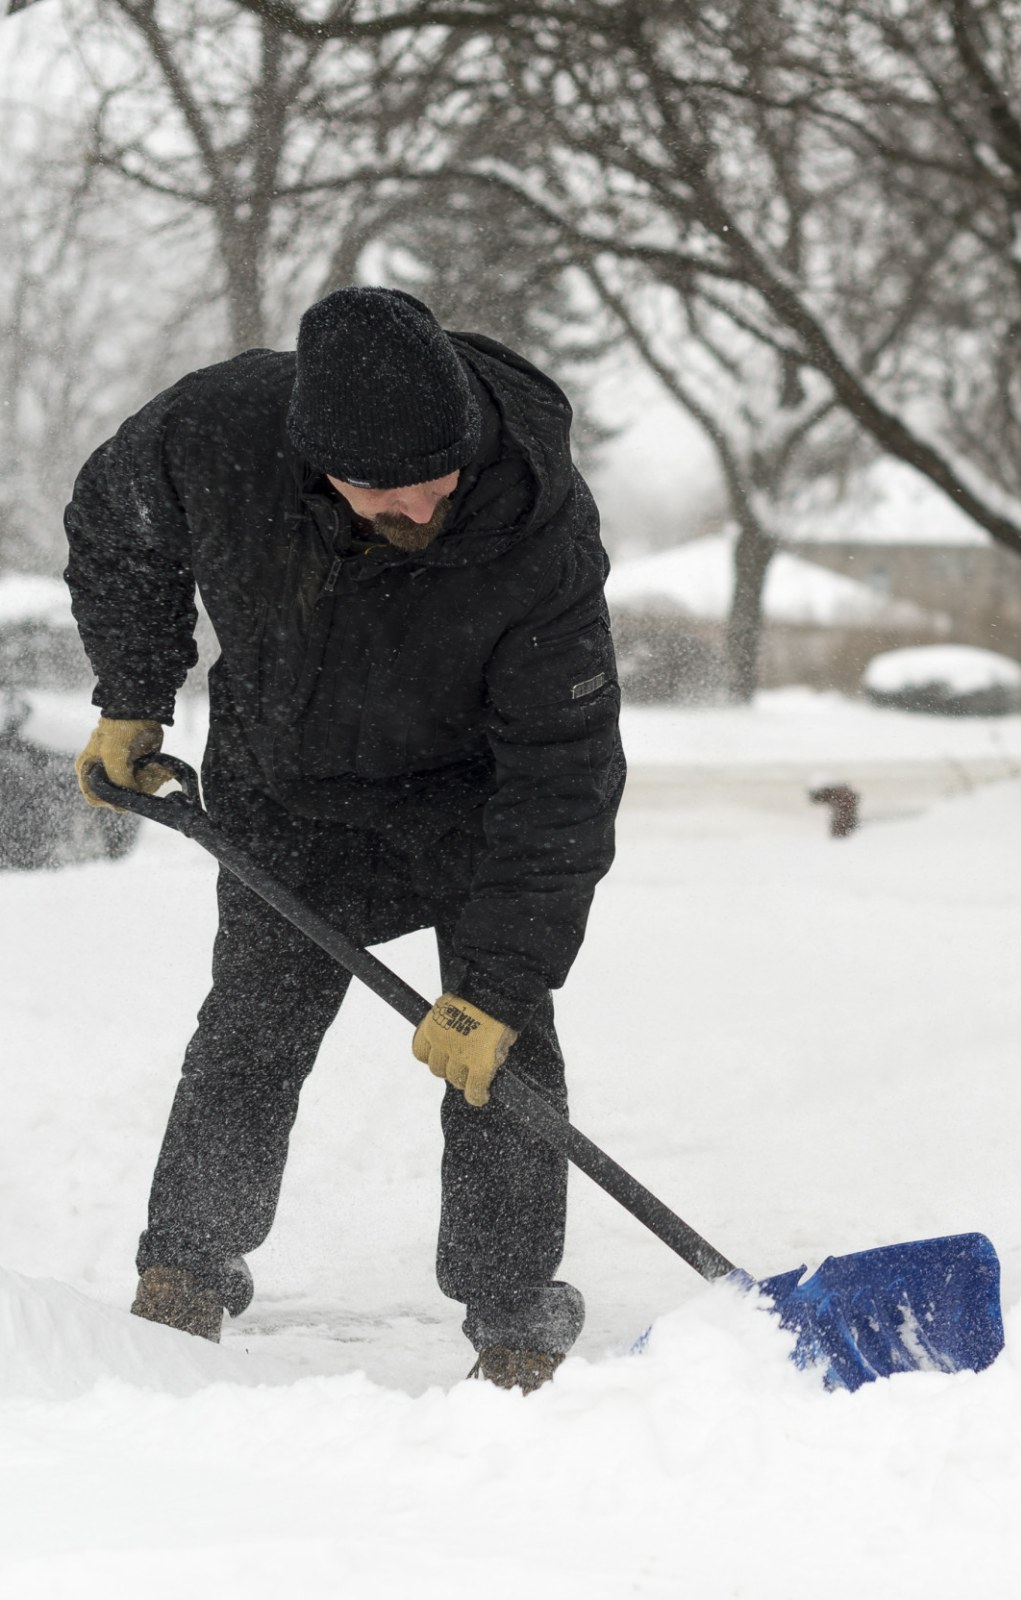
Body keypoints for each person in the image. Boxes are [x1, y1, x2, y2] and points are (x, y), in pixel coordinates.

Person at [62, 286, 625, 1392]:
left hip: (471, 806)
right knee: (252, 1027)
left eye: (438, 474)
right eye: (378, 487)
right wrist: (134, 692)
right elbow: (114, 524)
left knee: (502, 1057)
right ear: (312, 456)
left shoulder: (538, 532)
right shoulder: (216, 431)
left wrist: (500, 984)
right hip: (288, 794)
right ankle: (185, 1264)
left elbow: (562, 777)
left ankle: (512, 1312)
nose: (417, 506)